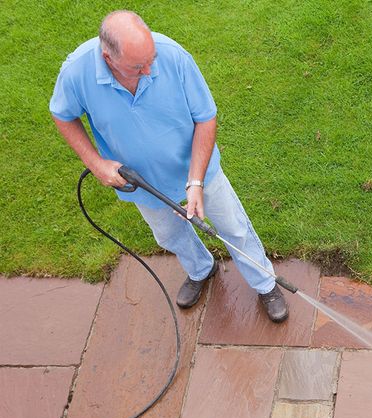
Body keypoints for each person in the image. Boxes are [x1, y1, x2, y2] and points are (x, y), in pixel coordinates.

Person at [49, 10, 289, 322]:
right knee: (170, 235)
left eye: (151, 58)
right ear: (108, 57)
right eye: (138, 66)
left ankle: (265, 283)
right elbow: (62, 114)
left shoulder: (173, 57)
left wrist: (196, 182)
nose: (149, 70)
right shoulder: (76, 73)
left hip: (196, 168)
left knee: (233, 227)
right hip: (142, 182)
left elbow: (205, 117)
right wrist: (95, 164)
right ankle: (201, 269)